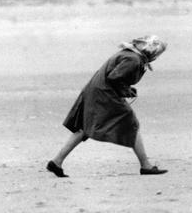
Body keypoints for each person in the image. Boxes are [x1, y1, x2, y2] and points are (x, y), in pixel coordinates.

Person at [46, 35, 168, 177]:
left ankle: (56, 162)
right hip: (104, 94)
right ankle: (145, 166)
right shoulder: (134, 60)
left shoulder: (130, 54)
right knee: (131, 124)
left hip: (96, 90)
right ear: (152, 52)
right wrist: (126, 90)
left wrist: (126, 89)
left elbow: (115, 76)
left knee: (85, 128)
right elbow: (114, 78)